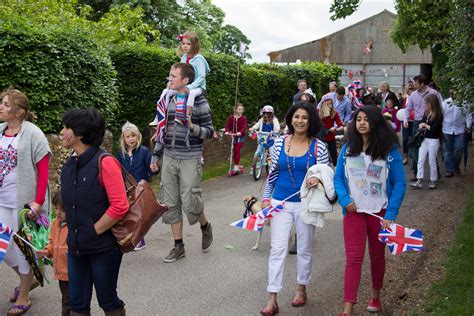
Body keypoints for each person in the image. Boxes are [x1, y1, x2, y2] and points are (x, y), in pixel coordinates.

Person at [334, 106, 406, 316]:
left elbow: (400, 182)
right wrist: (345, 199)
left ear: (375, 122)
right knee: (353, 259)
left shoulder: (388, 150)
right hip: (354, 213)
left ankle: (375, 296)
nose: (362, 123)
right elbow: (337, 178)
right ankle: (348, 305)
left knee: (377, 257)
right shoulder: (347, 148)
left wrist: (391, 213)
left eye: (366, 119)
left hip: (380, 214)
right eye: (358, 119)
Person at [259, 101, 329, 315]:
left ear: (310, 121)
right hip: (280, 203)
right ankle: (272, 298)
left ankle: (301, 288)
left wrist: (318, 179)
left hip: (306, 205)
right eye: (296, 117)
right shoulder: (280, 143)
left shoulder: (319, 146)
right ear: (290, 119)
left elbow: (327, 175)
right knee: (277, 249)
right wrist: (265, 200)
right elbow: (272, 176)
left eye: (305, 117)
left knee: (304, 248)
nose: (300, 121)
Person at [60, 107, 128, 315]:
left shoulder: (105, 162)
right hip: (76, 248)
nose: (61, 132)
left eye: (66, 127)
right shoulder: (69, 165)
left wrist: (94, 230)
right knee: (77, 304)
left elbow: (120, 206)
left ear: (80, 133)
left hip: (103, 249)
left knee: (108, 300)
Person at [150, 62, 214, 263]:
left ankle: (205, 226)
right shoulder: (166, 99)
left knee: (190, 201)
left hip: (190, 157)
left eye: (173, 77)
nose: (169, 80)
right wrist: (156, 156)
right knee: (170, 202)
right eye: (169, 76)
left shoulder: (199, 101)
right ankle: (179, 246)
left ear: (185, 80)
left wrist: (192, 127)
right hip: (169, 155)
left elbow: (210, 132)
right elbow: (161, 131)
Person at [0, 88, 51, 316]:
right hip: (1, 200)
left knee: (22, 248)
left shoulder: (33, 134)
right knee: (4, 248)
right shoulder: (0, 131)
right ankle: (28, 278)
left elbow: (43, 172)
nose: (1, 107)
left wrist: (38, 202)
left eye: (6, 104)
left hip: (23, 205)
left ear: (19, 111)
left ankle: (23, 295)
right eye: (2, 103)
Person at [116, 121, 153, 250]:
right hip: (126, 188)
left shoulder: (144, 151)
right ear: (123, 138)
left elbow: (151, 169)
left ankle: (139, 239)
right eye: (128, 136)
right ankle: (130, 237)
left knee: (139, 215)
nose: (131, 139)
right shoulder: (121, 153)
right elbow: (118, 170)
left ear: (138, 137)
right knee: (128, 214)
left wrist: (154, 169)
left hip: (141, 188)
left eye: (133, 136)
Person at [403, 74, 444, 181]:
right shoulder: (413, 95)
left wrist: (440, 122)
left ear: (422, 83)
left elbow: (441, 107)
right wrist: (406, 120)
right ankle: (417, 174)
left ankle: (436, 172)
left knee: (432, 148)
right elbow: (408, 109)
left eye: (416, 84)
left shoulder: (434, 93)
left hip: (432, 120)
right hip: (418, 123)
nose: (414, 85)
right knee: (416, 147)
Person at [35, 191, 69, 316]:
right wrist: (46, 251)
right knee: (66, 299)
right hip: (60, 272)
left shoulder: (73, 225)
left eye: (63, 210)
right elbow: (52, 242)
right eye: (56, 208)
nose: (58, 212)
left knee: (69, 302)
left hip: (72, 271)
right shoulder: (55, 223)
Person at [174, 31, 210, 126]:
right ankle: (160, 117)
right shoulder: (183, 58)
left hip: (198, 87)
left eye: (188, 44)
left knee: (192, 93)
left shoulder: (199, 59)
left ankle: (186, 116)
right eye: (183, 43)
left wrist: (190, 87)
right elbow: (180, 73)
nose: (185, 46)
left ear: (194, 45)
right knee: (168, 91)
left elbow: (202, 76)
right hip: (187, 84)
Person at [411, 94, 444, 189]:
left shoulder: (438, 114)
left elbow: (435, 129)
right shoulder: (426, 113)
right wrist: (422, 124)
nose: (425, 105)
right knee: (420, 160)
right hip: (425, 139)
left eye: (427, 103)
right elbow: (423, 122)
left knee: (432, 161)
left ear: (432, 103)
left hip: (434, 140)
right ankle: (419, 180)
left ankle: (433, 180)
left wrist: (425, 125)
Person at [442, 90, 472, 177]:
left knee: (459, 149)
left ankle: (455, 166)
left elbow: (468, 114)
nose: (453, 95)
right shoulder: (445, 103)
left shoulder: (464, 103)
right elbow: (441, 115)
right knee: (447, 151)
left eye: (455, 93)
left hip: (460, 129)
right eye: (451, 93)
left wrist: (468, 126)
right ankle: (449, 170)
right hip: (447, 129)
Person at [318, 94, 344, 165]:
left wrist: (335, 129)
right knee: (320, 154)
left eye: (331, 104)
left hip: (330, 136)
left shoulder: (334, 113)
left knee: (334, 154)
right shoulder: (318, 112)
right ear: (323, 104)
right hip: (320, 137)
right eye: (328, 104)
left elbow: (341, 126)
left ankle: (335, 167)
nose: (330, 105)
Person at [225, 103, 247, 173]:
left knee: (237, 149)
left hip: (241, 136)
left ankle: (236, 166)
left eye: (242, 109)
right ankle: (237, 165)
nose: (241, 111)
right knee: (234, 150)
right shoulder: (231, 118)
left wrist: (240, 132)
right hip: (234, 136)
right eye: (239, 109)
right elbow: (227, 126)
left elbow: (244, 127)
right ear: (235, 110)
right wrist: (227, 131)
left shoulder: (243, 118)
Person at [401, 84, 414, 165]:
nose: (410, 90)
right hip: (405, 120)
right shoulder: (406, 99)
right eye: (409, 89)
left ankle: (413, 156)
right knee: (405, 139)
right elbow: (402, 109)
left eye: (411, 89)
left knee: (413, 138)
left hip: (414, 121)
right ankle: (406, 156)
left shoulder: (417, 97)